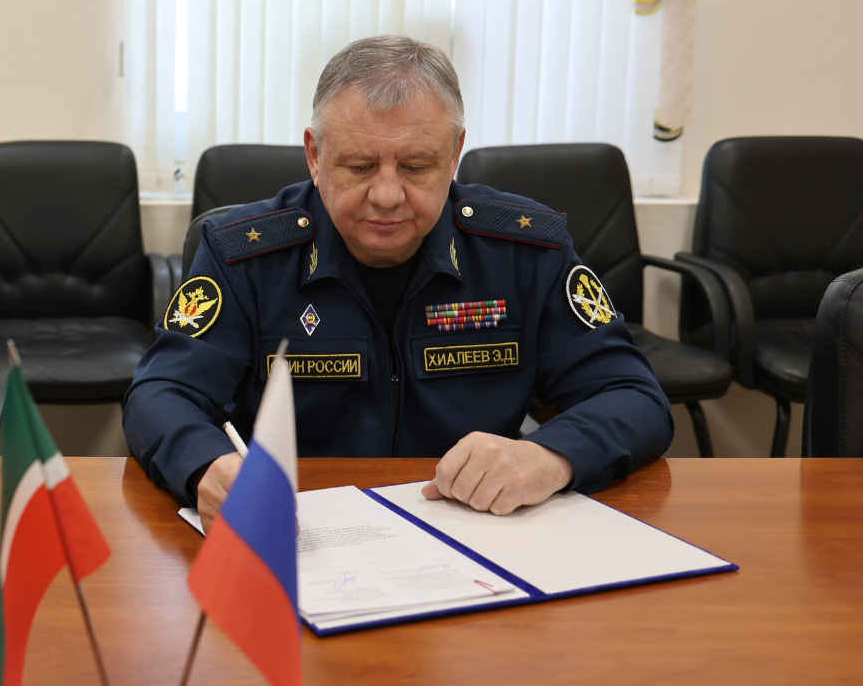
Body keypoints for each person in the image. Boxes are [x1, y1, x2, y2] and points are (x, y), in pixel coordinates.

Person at [124, 35, 672, 529]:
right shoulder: (245, 256)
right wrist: (206, 465)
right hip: (298, 532)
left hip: (475, 535)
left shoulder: (523, 252)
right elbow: (160, 392)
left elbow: (633, 396)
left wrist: (550, 456)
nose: (387, 196)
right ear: (315, 155)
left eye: (415, 167)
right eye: (359, 166)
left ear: (454, 156)